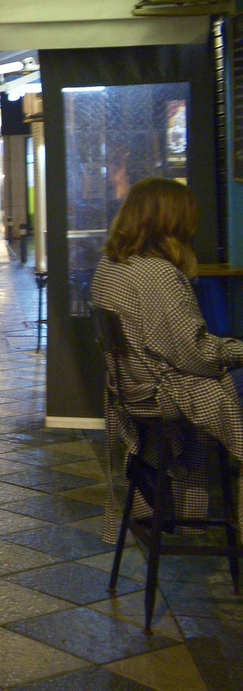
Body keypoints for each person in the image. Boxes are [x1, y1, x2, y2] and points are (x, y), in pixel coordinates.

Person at [91, 178, 243, 543]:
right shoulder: (157, 274)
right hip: (166, 394)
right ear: (171, 222)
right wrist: (238, 349)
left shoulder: (111, 265)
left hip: (134, 396)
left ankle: (184, 510)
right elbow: (195, 353)